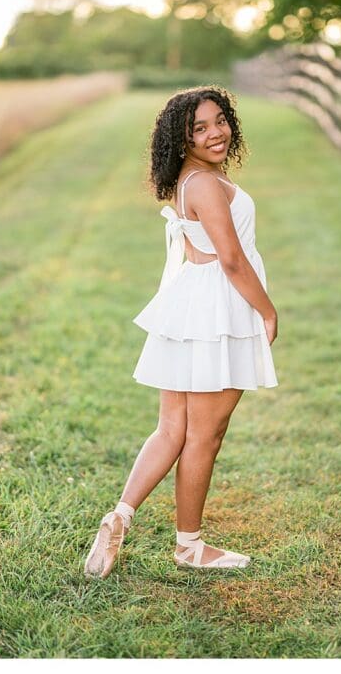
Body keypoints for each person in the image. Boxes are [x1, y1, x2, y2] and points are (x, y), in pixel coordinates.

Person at [84, 86, 279, 577]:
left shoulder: (190, 179)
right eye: (199, 128)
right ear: (182, 138)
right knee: (204, 436)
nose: (215, 133)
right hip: (218, 310)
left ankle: (119, 516)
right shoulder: (207, 185)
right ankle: (189, 545)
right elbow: (231, 259)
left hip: (192, 305)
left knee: (171, 429)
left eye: (220, 121)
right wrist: (267, 311)